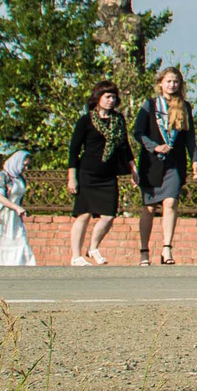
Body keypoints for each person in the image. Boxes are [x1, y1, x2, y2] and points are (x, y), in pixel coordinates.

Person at [133, 66, 197, 266]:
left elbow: (190, 136)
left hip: (174, 163)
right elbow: (138, 132)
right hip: (151, 163)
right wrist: (154, 147)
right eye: (168, 81)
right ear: (161, 83)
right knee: (149, 207)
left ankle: (166, 249)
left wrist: (194, 159)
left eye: (176, 81)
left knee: (170, 202)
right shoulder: (150, 105)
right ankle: (144, 250)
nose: (172, 85)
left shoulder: (184, 106)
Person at [67, 83, 128, 266]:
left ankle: (93, 247)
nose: (111, 101)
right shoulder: (86, 121)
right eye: (107, 97)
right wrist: (72, 177)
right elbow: (74, 150)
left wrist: (132, 168)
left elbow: (124, 146)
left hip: (108, 175)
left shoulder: (118, 120)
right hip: (87, 173)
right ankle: (76, 256)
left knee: (108, 215)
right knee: (83, 215)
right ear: (98, 98)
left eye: (113, 97)